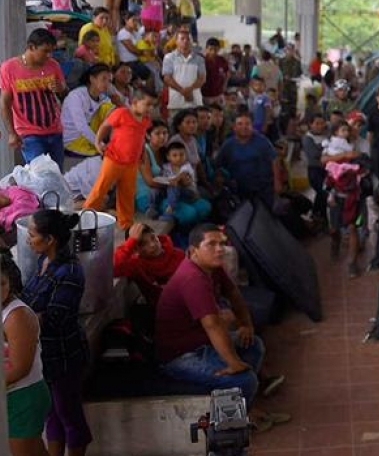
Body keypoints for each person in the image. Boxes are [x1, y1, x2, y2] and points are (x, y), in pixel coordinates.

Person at [155, 224, 288, 428]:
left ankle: (244, 411)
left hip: (203, 341)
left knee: (253, 345)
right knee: (245, 380)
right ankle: (235, 423)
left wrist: (246, 324)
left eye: (222, 244)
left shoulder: (212, 267)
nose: (220, 249)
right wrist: (233, 362)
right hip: (181, 356)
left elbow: (233, 294)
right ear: (193, 251)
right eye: (211, 244)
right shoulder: (192, 278)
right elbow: (213, 324)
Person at [20, 209, 92, 455]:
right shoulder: (44, 262)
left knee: (69, 416)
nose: (28, 239)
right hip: (45, 357)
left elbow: (54, 318)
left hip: (64, 357)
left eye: (32, 234)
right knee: (52, 416)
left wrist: (18, 322)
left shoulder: (70, 272)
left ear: (50, 239)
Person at [83, 90, 157, 231]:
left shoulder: (146, 120)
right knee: (100, 189)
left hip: (131, 163)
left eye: (153, 106)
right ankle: (86, 218)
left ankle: (126, 223)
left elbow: (140, 138)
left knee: (127, 193)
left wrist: (142, 153)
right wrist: (98, 143)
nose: (151, 109)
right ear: (135, 102)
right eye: (148, 105)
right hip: (113, 159)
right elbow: (105, 126)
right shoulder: (122, 113)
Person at [2, 252, 52, 456]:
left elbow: (20, 368)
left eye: (1, 283)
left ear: (11, 283)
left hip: (23, 397)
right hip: (8, 395)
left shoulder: (17, 316)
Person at [1, 29, 67, 168]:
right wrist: (12, 133)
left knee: (57, 175)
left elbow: (64, 91)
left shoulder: (53, 65)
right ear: (31, 47)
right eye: (45, 51)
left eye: (51, 52)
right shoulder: (9, 68)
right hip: (29, 134)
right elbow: (5, 103)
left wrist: (60, 88)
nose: (49, 55)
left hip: (55, 130)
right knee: (40, 175)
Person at [136, 120, 211, 227]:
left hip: (169, 190)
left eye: (165, 133)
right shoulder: (144, 151)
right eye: (157, 133)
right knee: (189, 213)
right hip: (148, 196)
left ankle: (190, 235)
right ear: (148, 135)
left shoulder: (165, 151)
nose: (162, 136)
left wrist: (186, 181)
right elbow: (150, 182)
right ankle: (181, 235)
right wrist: (176, 182)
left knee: (204, 206)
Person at [214, 112, 283, 211]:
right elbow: (218, 164)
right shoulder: (228, 145)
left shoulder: (262, 141)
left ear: (252, 126)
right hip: (240, 188)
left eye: (247, 124)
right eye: (240, 124)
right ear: (234, 127)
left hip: (263, 188)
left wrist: (277, 183)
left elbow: (274, 160)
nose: (244, 127)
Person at [113, 222, 185, 308]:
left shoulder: (178, 255)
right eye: (143, 244)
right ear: (135, 249)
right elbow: (111, 268)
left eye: (153, 238)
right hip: (163, 311)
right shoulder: (136, 265)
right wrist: (131, 241)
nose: (152, 245)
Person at [61, 63, 114, 159]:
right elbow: (81, 126)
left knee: (110, 109)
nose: (107, 84)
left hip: (90, 137)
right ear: (92, 79)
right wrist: (98, 143)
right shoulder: (76, 96)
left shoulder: (104, 99)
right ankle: (99, 145)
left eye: (110, 81)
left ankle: (113, 143)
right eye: (104, 79)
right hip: (74, 140)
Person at [162, 28, 205, 112]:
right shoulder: (169, 58)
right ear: (176, 41)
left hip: (194, 102)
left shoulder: (199, 59)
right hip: (176, 103)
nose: (185, 41)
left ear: (192, 42)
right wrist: (182, 91)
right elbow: (167, 78)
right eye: (182, 39)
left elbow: (202, 78)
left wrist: (190, 89)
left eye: (188, 39)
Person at [155, 140, 198, 223]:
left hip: (189, 192)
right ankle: (152, 208)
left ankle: (170, 211)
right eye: (174, 155)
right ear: (168, 157)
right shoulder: (166, 167)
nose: (179, 158)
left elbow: (184, 174)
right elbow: (164, 178)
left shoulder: (187, 166)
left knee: (174, 185)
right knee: (156, 190)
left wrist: (175, 180)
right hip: (173, 192)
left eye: (182, 155)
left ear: (185, 155)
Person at [302, 113, 330, 223]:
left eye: (322, 123)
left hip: (327, 170)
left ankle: (316, 214)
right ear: (310, 124)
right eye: (317, 123)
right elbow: (314, 154)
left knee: (322, 194)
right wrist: (325, 147)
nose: (320, 126)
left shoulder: (326, 135)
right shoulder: (307, 138)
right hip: (315, 171)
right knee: (323, 192)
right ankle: (321, 216)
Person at [201, 38, 230, 108]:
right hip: (205, 95)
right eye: (210, 49)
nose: (213, 52)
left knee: (220, 115)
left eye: (216, 49)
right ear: (206, 49)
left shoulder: (222, 60)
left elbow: (227, 74)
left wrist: (224, 86)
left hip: (219, 94)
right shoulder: (201, 61)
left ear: (219, 49)